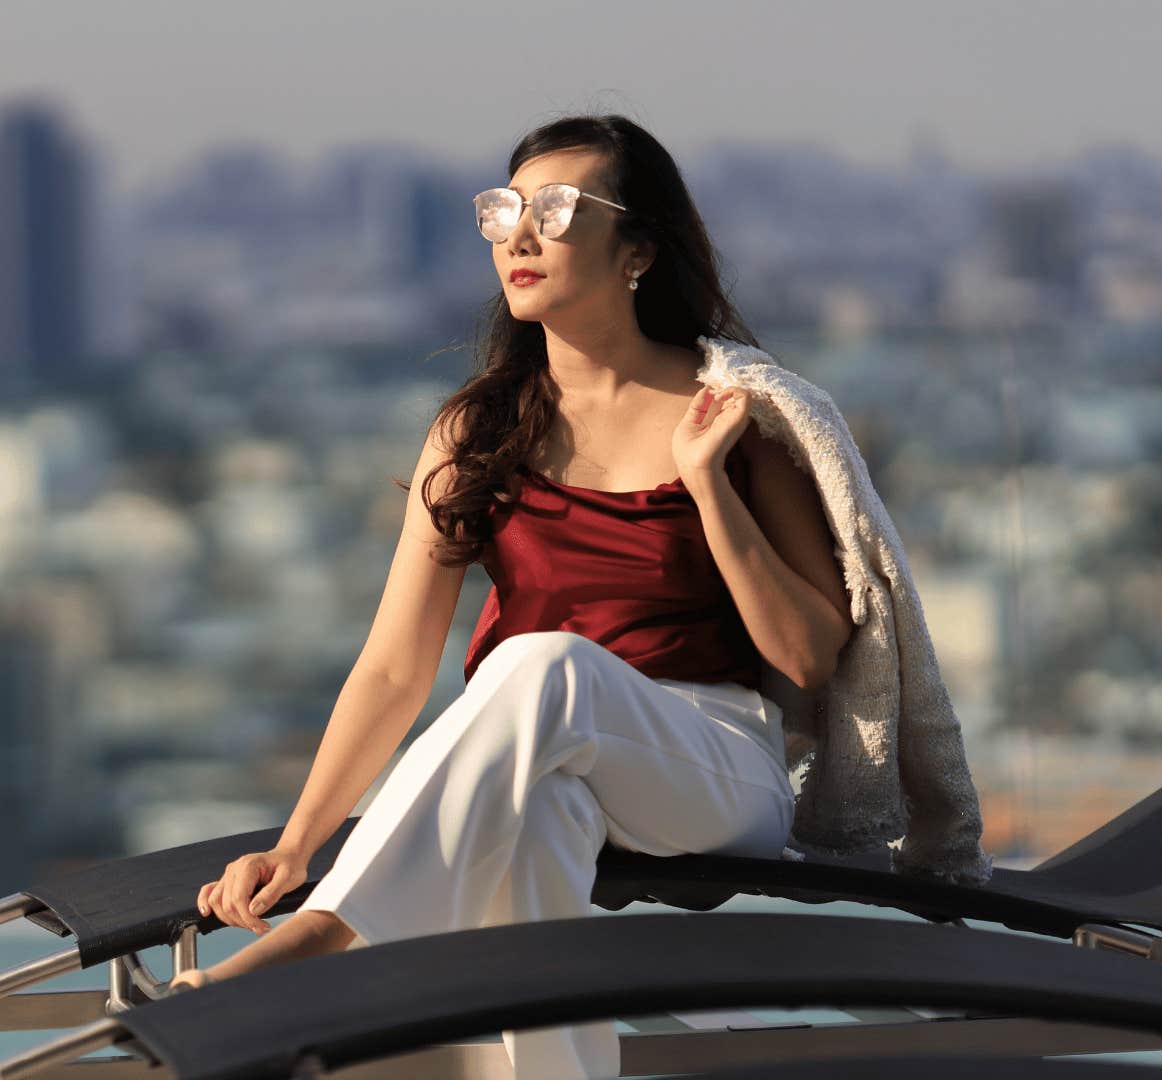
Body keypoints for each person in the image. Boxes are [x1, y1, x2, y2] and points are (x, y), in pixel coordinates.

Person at [166, 113, 854, 1080]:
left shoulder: (734, 415)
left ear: (638, 251)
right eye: (503, 211)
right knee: (537, 836)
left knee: (541, 661)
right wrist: (297, 842)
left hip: (712, 766)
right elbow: (395, 665)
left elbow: (809, 656)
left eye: (558, 209)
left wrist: (706, 483)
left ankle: (316, 947)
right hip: (544, 757)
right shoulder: (478, 429)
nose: (518, 235)